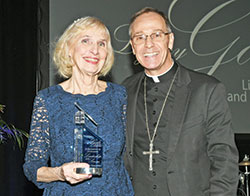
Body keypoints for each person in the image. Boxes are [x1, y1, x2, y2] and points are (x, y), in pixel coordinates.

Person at [123, 7, 239, 196]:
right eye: (140, 37)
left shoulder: (207, 89)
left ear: (170, 39)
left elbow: (224, 159)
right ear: (132, 46)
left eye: (156, 35)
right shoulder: (124, 91)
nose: (149, 44)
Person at [23, 16, 134, 196]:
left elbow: (129, 158)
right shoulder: (48, 99)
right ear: (68, 49)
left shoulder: (119, 95)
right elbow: (32, 167)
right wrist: (60, 173)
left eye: (102, 44)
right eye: (85, 41)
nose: (94, 50)